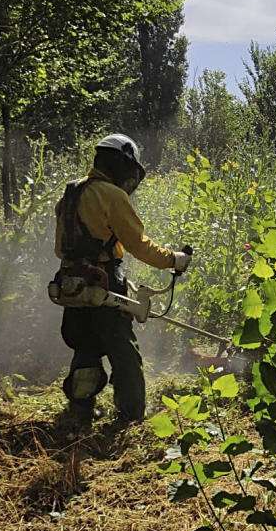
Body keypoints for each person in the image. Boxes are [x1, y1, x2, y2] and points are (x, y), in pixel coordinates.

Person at [53, 134, 191, 428]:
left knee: (86, 346)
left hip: (72, 283)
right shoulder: (111, 195)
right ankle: (131, 417)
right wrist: (174, 259)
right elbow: (138, 244)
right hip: (102, 282)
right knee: (123, 349)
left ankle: (80, 410)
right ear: (119, 164)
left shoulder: (71, 193)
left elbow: (60, 247)